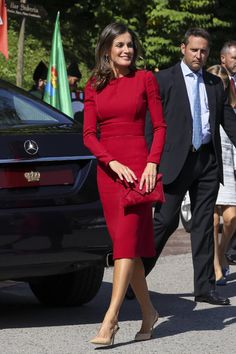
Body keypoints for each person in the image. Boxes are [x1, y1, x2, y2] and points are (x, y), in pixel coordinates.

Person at [83, 22, 166, 346]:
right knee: (125, 249)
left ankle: (110, 320)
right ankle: (149, 313)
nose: (126, 50)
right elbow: (89, 135)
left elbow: (160, 126)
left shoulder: (145, 79)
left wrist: (151, 163)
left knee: (125, 247)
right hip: (110, 173)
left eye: (130, 45)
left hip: (139, 171)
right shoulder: (93, 85)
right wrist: (111, 161)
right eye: (119, 45)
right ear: (107, 50)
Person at [142, 28, 236, 306]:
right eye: (194, 50)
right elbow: (150, 125)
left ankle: (205, 288)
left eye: (204, 50)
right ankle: (136, 276)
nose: (199, 55)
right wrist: (150, 161)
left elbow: (228, 122)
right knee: (165, 221)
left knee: (205, 224)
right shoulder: (163, 80)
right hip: (174, 162)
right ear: (183, 48)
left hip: (206, 161)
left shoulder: (214, 84)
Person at [207, 64, 236, 285]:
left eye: (223, 82)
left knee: (231, 217)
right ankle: (216, 266)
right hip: (208, 167)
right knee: (212, 219)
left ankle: (221, 253)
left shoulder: (230, 108)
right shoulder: (202, 108)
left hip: (228, 167)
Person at [220, 40, 236, 264]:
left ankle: (223, 252)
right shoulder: (217, 80)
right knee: (216, 221)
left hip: (234, 150)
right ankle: (216, 261)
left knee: (232, 217)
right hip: (219, 153)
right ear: (223, 58)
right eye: (234, 57)